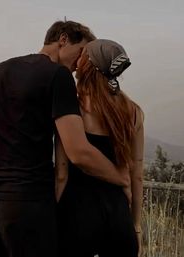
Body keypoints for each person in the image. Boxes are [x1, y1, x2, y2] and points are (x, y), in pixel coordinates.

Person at [0, 22, 130, 257]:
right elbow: (78, 151)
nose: (80, 63)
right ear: (63, 39)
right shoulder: (58, 76)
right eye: (81, 51)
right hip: (26, 204)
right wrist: (120, 177)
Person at [56, 39, 144, 257]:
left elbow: (61, 173)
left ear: (86, 64)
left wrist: (51, 215)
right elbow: (137, 175)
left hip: (77, 216)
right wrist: (135, 226)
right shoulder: (133, 112)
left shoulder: (71, 108)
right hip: (118, 217)